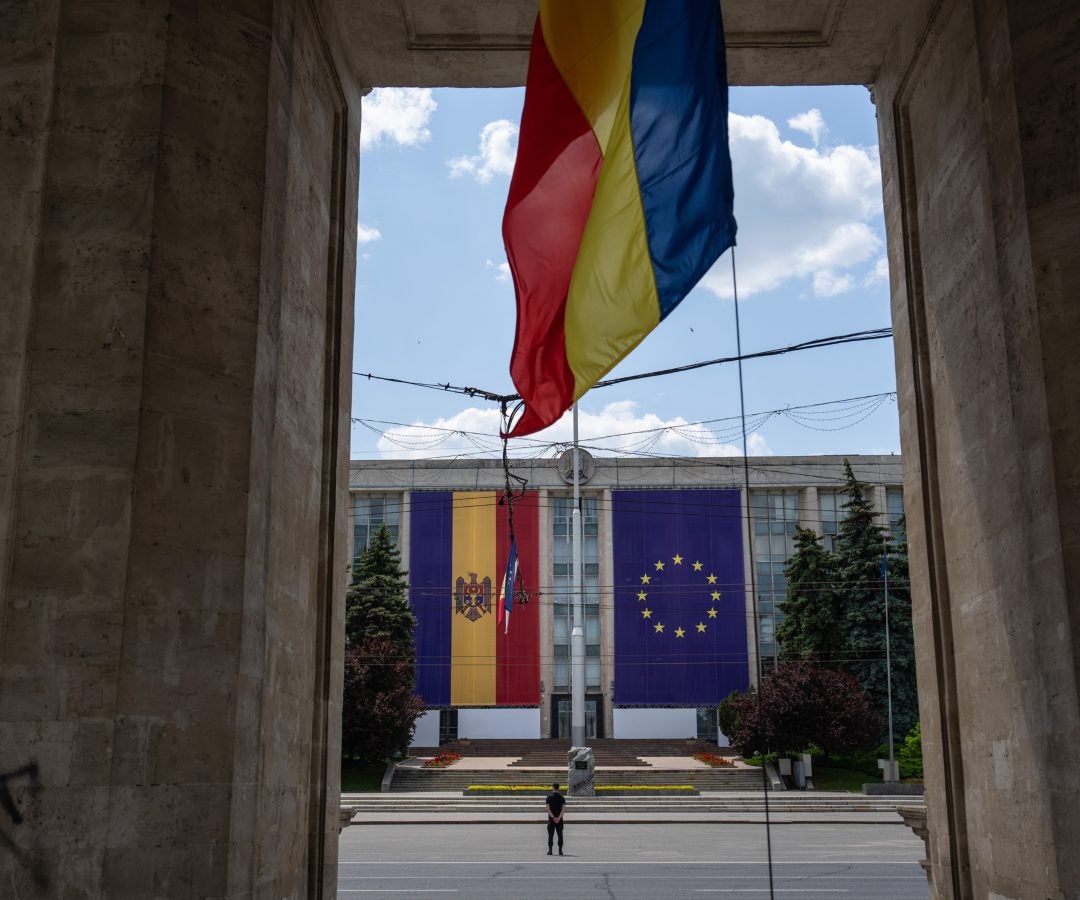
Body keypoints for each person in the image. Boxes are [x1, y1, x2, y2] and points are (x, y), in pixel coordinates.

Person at [545, 782, 566, 855]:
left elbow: (548, 809)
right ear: (559, 788)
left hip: (551, 819)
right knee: (560, 834)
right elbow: (563, 809)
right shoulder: (562, 798)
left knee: (551, 834)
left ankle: (550, 850)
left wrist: (553, 817)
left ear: (553, 787)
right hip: (559, 819)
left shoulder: (549, 797)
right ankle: (560, 850)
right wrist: (559, 818)